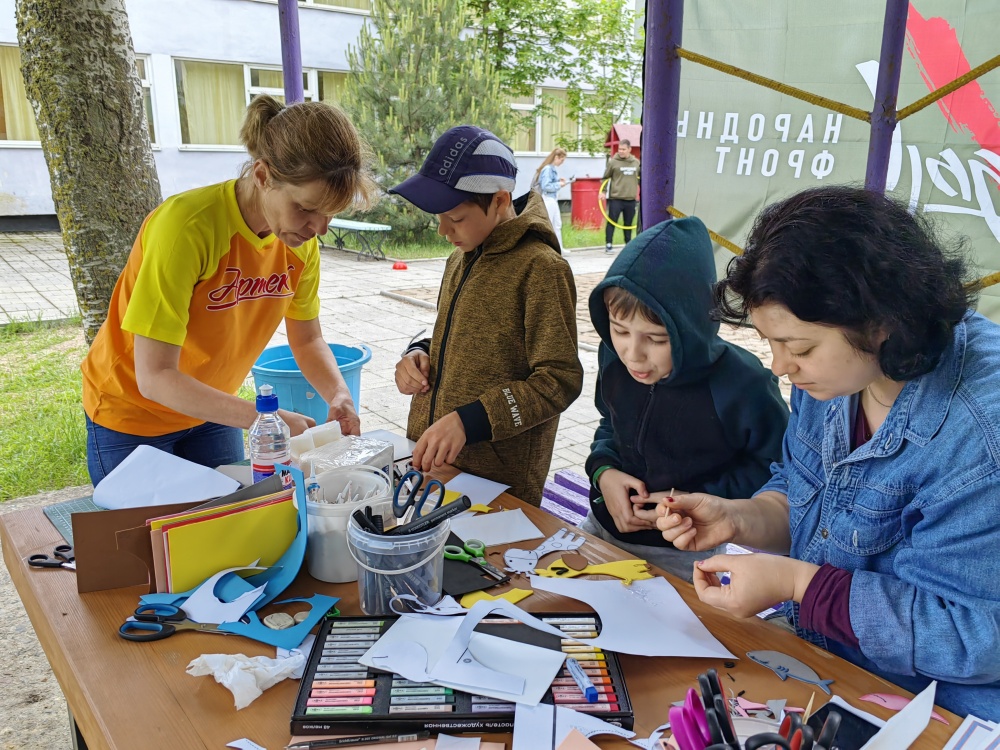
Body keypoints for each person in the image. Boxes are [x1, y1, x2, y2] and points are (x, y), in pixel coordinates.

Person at [655, 186, 1000, 720]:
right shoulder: (836, 376)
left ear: (882, 321)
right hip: (829, 663)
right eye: (772, 344)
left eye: (799, 348)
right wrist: (739, 517)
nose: (779, 368)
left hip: (936, 709)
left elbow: (976, 635)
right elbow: (807, 489)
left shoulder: (980, 432)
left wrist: (798, 584)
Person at [82, 95, 379, 485]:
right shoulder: (187, 228)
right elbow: (154, 377)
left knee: (228, 522)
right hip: (131, 414)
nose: (318, 229)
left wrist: (338, 394)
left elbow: (307, 340)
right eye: (306, 209)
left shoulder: (298, 242)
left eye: (329, 214)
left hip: (211, 409)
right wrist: (264, 419)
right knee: (146, 539)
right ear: (262, 175)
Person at [580, 217, 789, 581]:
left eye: (657, 340)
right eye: (619, 330)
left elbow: (775, 468)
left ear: (693, 327)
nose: (633, 354)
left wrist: (695, 497)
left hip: (684, 552)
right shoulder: (612, 357)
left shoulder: (744, 384)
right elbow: (608, 425)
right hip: (599, 527)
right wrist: (604, 472)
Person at [389, 125, 584, 504]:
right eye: (438, 217)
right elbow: (457, 337)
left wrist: (471, 420)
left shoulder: (541, 268)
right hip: (435, 470)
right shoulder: (459, 257)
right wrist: (418, 354)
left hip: (498, 486)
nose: (444, 230)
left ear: (499, 200)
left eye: (456, 217)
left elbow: (559, 379)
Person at [602, 139, 640, 253]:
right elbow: (605, 177)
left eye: (623, 149)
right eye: (619, 149)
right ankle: (608, 244)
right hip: (616, 198)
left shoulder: (636, 162)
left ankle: (628, 245)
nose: (621, 151)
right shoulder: (613, 162)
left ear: (629, 149)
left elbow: (641, 179)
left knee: (628, 223)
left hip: (630, 199)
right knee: (612, 221)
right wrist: (603, 192)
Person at [532, 147, 569, 252]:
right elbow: (546, 186)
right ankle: (549, 248)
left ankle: (559, 248)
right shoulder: (548, 169)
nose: (562, 163)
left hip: (552, 199)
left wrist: (557, 180)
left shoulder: (551, 168)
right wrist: (559, 184)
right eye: (562, 160)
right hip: (548, 199)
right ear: (557, 157)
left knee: (557, 224)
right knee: (550, 224)